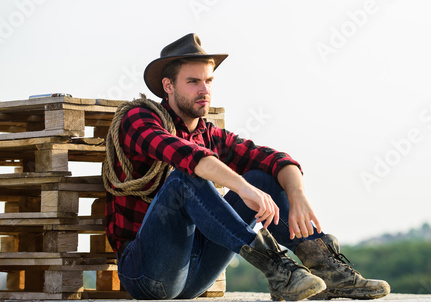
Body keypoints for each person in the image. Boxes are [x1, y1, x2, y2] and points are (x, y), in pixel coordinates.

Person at [104, 33, 390, 300]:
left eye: (209, 81)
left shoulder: (209, 135)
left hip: (196, 273)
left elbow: (276, 159)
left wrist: (297, 195)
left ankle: (327, 269)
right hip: (148, 274)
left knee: (263, 177)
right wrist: (242, 187)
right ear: (168, 86)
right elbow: (185, 154)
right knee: (184, 179)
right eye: (193, 82)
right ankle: (276, 267)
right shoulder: (139, 119)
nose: (204, 90)